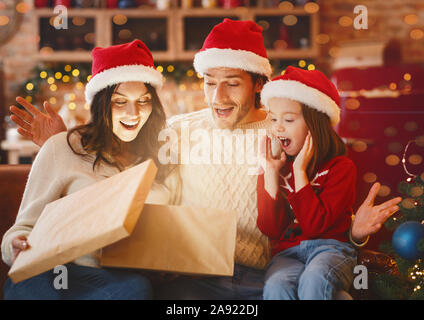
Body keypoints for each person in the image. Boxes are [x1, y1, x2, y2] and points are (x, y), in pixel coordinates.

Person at [8, 19, 402, 300]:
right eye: (209, 83)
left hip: (264, 273)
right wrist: (61, 143)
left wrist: (354, 235)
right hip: (195, 275)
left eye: (231, 83)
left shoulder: (285, 133)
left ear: (258, 85)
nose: (218, 97)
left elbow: (323, 200)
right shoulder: (176, 131)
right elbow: (117, 159)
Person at [1, 39, 180, 299]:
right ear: (100, 104)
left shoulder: (164, 159)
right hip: (52, 271)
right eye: (120, 102)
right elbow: (21, 230)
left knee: (136, 290)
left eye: (143, 101)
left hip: (117, 277)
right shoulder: (63, 147)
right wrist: (15, 246)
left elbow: (173, 234)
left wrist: (168, 261)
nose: (134, 113)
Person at [256, 66, 358, 299]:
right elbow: (271, 229)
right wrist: (270, 172)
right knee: (276, 285)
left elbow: (316, 227)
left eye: (289, 119)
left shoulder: (341, 168)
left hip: (330, 249)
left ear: (314, 124)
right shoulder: (275, 168)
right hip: (287, 254)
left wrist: (300, 171)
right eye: (273, 119)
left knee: (314, 278)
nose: (278, 127)